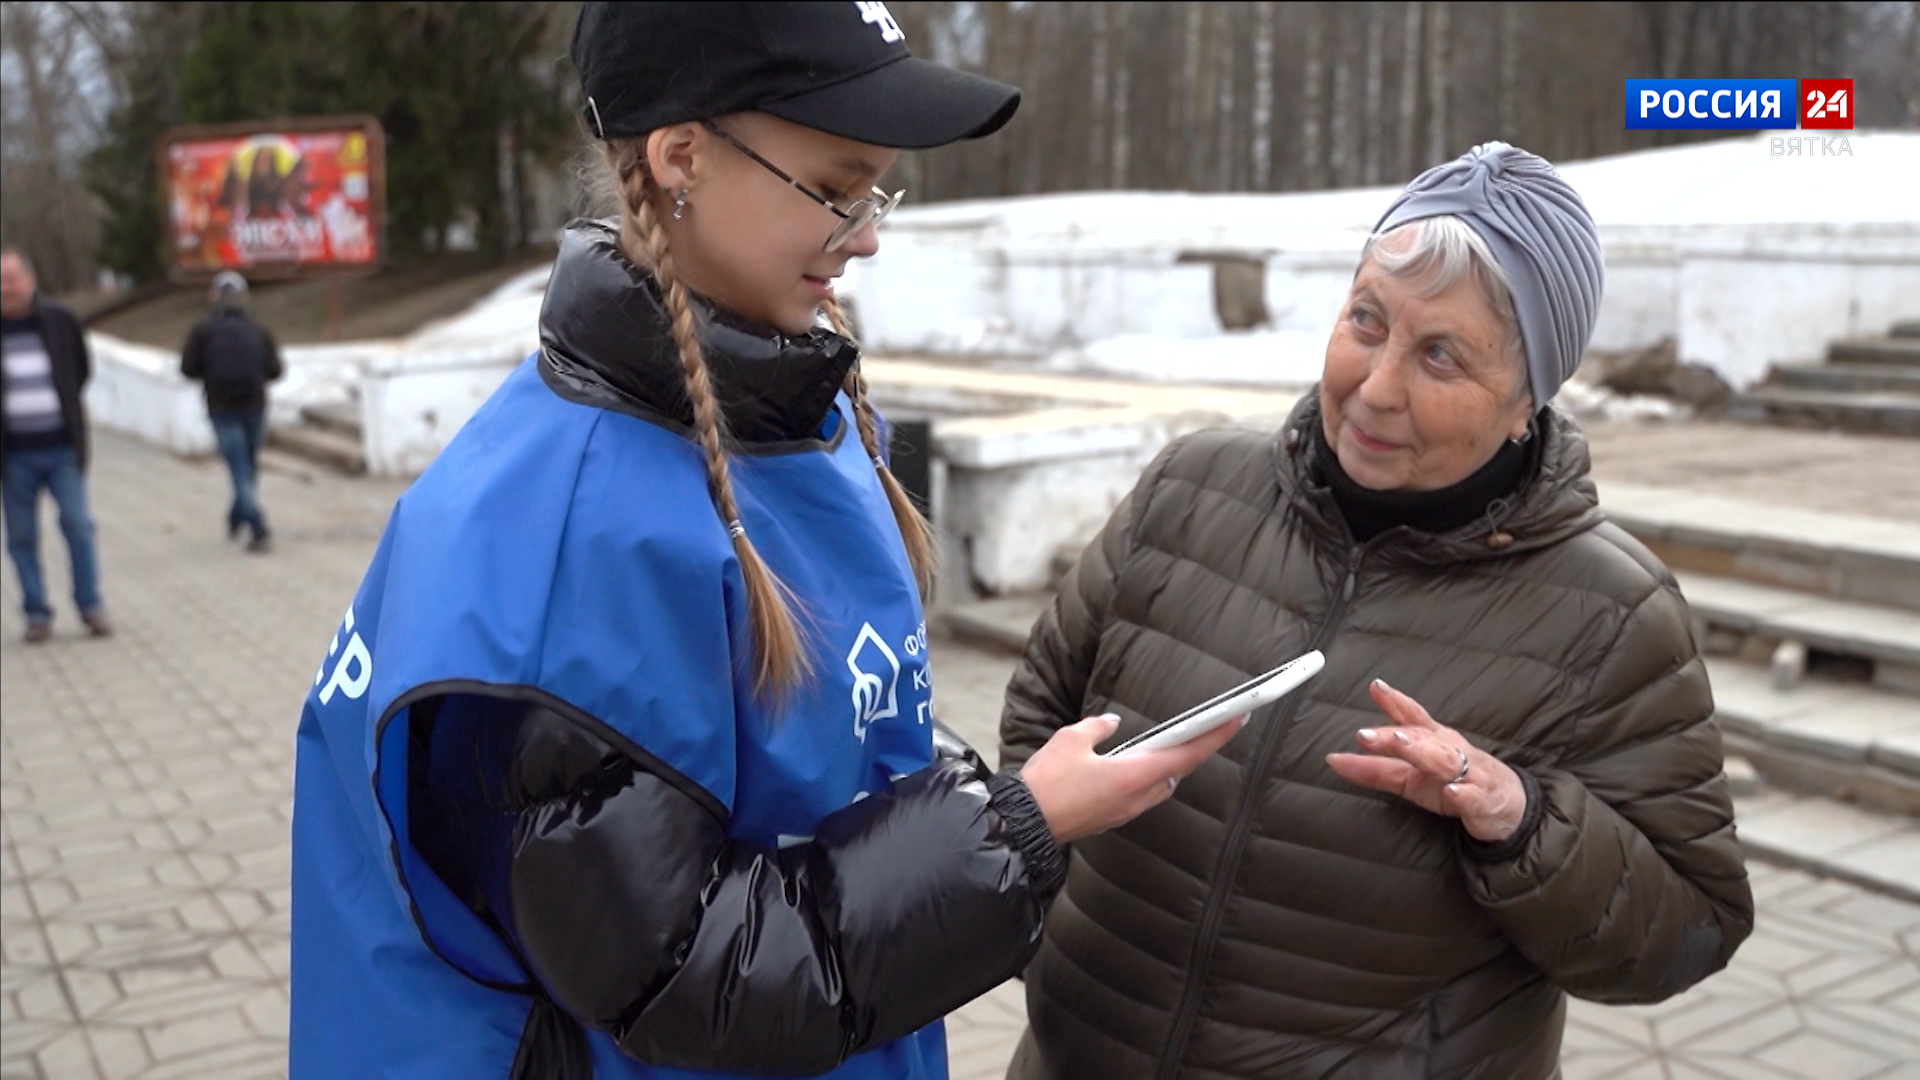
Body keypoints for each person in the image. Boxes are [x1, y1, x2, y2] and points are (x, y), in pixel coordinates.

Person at [288, 5, 1240, 1078]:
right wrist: (1013, 829)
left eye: (878, 190)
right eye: (835, 192)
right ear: (681, 156)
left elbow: (813, 770)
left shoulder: (794, 421)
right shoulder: (577, 536)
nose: (869, 232)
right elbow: (689, 976)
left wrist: (983, 808)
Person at [998, 143, 1755, 1079]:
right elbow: (1039, 718)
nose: (1377, 384)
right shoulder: (1191, 489)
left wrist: (1520, 823)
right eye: (1367, 320)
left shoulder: (1612, 615)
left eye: (1441, 355)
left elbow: (1691, 927)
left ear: (1528, 400)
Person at [1, 246, 110, 643]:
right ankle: (36, 613)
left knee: (79, 526)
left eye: (11, 279)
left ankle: (90, 605)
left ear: (29, 280)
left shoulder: (60, 321)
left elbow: (80, 370)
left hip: (62, 447)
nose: (6, 288)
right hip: (13, 456)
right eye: (0, 282)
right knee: (21, 537)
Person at [180, 270, 283, 552]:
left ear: (214, 296)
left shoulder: (203, 330)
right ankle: (240, 515)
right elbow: (275, 370)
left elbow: (187, 368)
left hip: (222, 407)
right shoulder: (258, 329)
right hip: (254, 406)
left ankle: (255, 525)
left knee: (238, 467)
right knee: (248, 466)